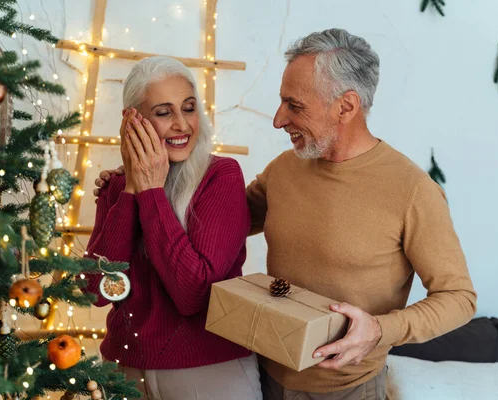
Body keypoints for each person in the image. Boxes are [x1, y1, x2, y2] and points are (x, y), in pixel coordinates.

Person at [95, 29, 477, 400]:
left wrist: (380, 329)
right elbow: (207, 217)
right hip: (265, 371)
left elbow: (459, 297)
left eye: (294, 105)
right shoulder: (285, 169)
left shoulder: (411, 190)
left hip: (347, 388)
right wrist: (133, 184)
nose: (278, 119)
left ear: (345, 106)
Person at [85, 56, 261, 400]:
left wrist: (150, 191)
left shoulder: (221, 177)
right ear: (132, 120)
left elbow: (193, 294)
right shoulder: (118, 187)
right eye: (164, 112)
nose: (182, 124)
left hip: (208, 373)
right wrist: (132, 190)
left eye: (189, 108)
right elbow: (95, 290)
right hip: (122, 370)